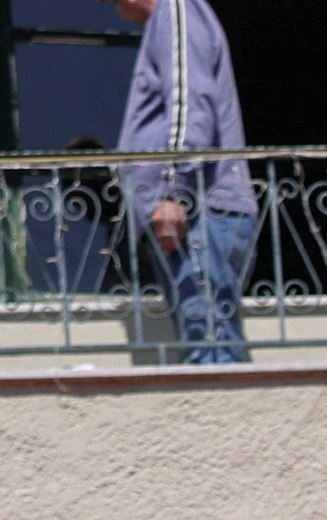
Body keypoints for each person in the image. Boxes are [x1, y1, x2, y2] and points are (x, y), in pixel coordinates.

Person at [115, 0, 260, 369]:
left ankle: (224, 425)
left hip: (198, 213)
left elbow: (189, 101)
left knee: (209, 351)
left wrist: (172, 191)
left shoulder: (175, 10)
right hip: (199, 214)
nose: (110, 7)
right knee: (208, 343)